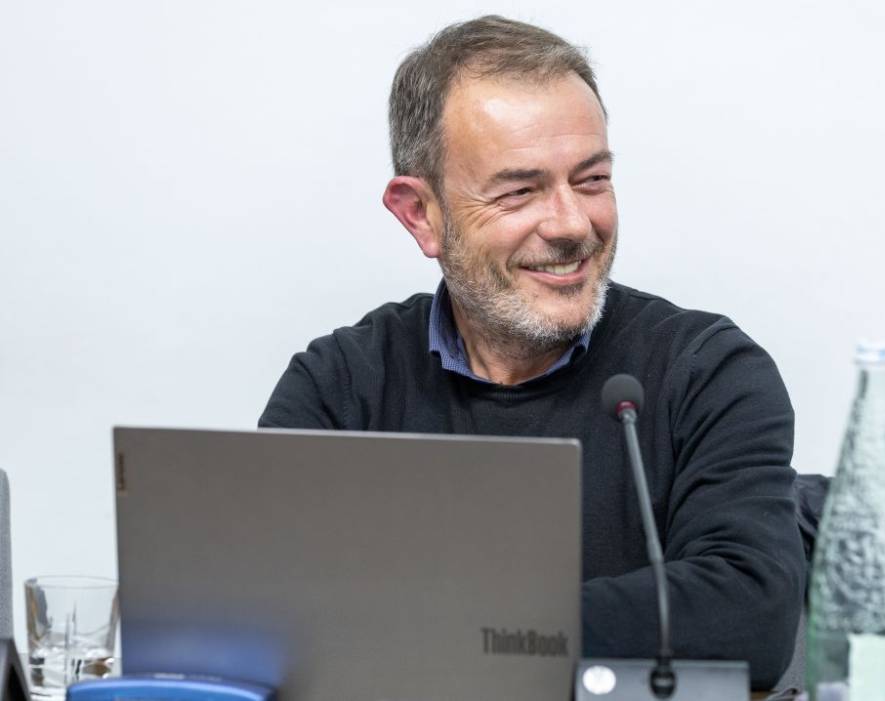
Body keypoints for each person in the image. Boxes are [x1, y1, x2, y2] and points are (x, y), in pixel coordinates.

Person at [260, 15, 805, 690]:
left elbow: (753, 612)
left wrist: (453, 626)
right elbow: (266, 615)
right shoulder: (339, 386)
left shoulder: (706, 370)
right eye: (520, 190)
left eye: (592, 179)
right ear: (420, 214)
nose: (572, 224)